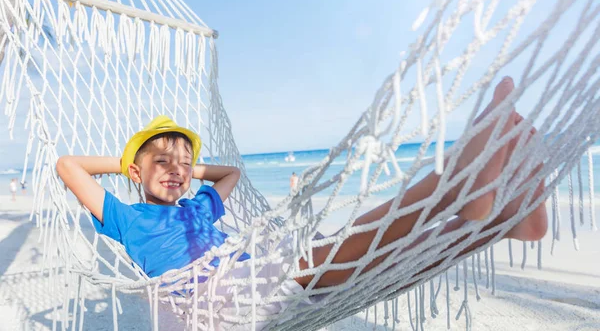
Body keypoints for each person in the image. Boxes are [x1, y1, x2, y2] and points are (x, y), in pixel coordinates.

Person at [56, 78, 547, 316]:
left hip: (252, 276)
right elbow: (68, 167)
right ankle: (452, 185)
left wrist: (185, 168)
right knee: (329, 256)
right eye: (161, 164)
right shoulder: (123, 215)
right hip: (218, 304)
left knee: (374, 265)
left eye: (182, 167)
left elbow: (228, 174)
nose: (176, 173)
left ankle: (499, 221)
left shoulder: (198, 206)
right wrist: (132, 162)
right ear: (134, 171)